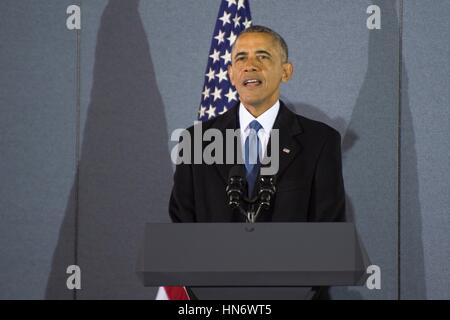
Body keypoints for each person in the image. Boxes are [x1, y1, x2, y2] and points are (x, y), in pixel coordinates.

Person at [169, 25, 345, 224]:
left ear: (285, 72)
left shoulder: (320, 141)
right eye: (241, 57)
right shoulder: (195, 142)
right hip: (214, 255)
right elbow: (182, 227)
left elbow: (328, 228)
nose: (250, 65)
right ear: (231, 74)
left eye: (263, 56)